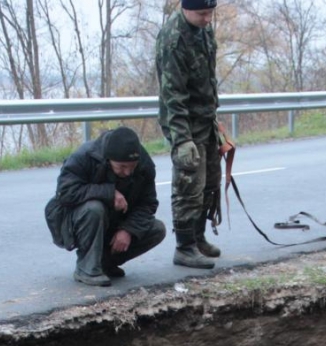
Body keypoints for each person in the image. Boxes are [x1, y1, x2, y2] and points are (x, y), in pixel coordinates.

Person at [45, 126, 166, 287]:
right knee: (94, 208)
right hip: (74, 219)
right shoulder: (85, 156)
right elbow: (65, 192)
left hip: (114, 221)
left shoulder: (145, 165)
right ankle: (86, 267)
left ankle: (104, 263)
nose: (128, 172)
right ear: (109, 159)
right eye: (122, 167)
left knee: (157, 229)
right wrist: (108, 193)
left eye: (132, 166)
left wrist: (128, 230)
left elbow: (148, 204)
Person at [155, 0, 222, 271]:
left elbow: (208, 78)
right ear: (186, 9)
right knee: (188, 183)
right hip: (183, 122)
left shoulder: (203, 30)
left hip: (205, 119)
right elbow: (173, 95)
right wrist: (182, 139)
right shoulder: (173, 38)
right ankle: (184, 247)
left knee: (209, 181)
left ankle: (198, 237)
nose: (208, 19)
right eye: (202, 13)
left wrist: (212, 116)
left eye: (210, 13)